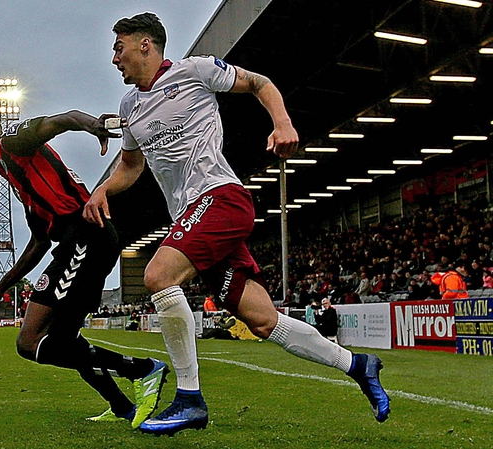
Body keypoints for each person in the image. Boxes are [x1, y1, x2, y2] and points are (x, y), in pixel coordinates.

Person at [83, 12, 390, 435]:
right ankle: (357, 364)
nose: (114, 59)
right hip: (191, 215)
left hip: (219, 197)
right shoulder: (129, 106)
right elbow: (131, 166)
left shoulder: (195, 71)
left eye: (119, 48)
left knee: (157, 275)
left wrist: (283, 122)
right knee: (262, 320)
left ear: (145, 45)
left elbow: (260, 83)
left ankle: (189, 398)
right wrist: (103, 190)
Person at [0, 109, 169, 429]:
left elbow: (61, 120)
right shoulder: (16, 173)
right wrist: (1, 287)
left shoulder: (12, 142)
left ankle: (143, 369)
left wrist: (93, 125)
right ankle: (121, 406)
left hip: (86, 236)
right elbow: (39, 241)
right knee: (53, 340)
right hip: (76, 241)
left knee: (38, 342)